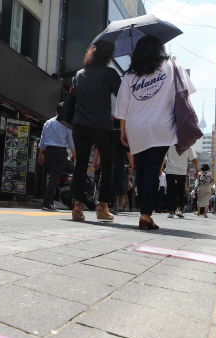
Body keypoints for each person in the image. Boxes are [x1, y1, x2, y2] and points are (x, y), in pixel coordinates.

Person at [115, 35, 196, 229]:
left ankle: (145, 212)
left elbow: (121, 107)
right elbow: (185, 93)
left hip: (135, 127)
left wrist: (122, 131)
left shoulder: (130, 75)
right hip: (162, 126)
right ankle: (145, 215)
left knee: (142, 169)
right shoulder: (173, 66)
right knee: (152, 168)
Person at [70, 40, 121, 222]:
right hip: (102, 125)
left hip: (80, 124)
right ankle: (102, 206)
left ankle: (77, 205)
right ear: (109, 56)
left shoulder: (79, 74)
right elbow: (123, 96)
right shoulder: (110, 73)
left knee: (81, 165)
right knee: (107, 165)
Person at [38, 102, 76, 211]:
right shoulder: (66, 123)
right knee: (54, 179)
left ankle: (50, 203)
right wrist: (74, 154)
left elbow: (42, 140)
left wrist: (40, 154)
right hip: (60, 152)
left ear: (56, 111)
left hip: (48, 152)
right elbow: (71, 141)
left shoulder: (48, 122)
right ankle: (46, 204)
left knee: (52, 178)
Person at [163, 145, 198, 218]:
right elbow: (193, 159)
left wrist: (160, 168)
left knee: (170, 191)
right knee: (181, 191)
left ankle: (171, 211)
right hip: (182, 171)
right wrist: (197, 170)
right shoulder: (187, 145)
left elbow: (163, 158)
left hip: (170, 171)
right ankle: (179, 210)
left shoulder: (169, 144)